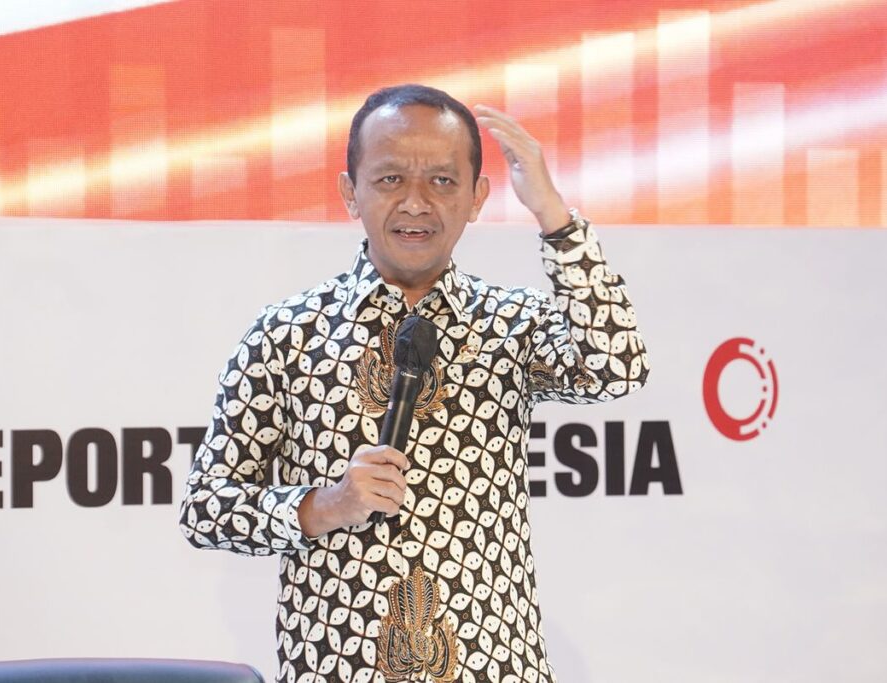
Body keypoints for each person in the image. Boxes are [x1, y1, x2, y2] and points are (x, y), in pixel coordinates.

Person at [179, 84, 649, 683]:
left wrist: (552, 215)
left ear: (477, 198)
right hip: (340, 667)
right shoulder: (287, 334)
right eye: (390, 179)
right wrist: (325, 505)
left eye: (443, 181)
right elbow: (208, 508)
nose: (416, 203)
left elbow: (616, 366)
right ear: (350, 192)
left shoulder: (511, 324)